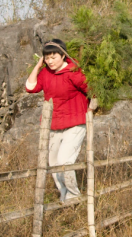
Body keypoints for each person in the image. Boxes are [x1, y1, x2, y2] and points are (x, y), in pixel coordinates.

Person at [26, 38, 96, 202]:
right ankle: (64, 197)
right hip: (53, 124)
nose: (50, 61)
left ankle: (74, 197)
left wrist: (91, 110)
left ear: (63, 55)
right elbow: (30, 87)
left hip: (75, 123)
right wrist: (38, 66)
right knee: (54, 165)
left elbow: (94, 91)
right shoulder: (45, 73)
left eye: (53, 57)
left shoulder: (74, 71)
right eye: (47, 58)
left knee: (65, 161)